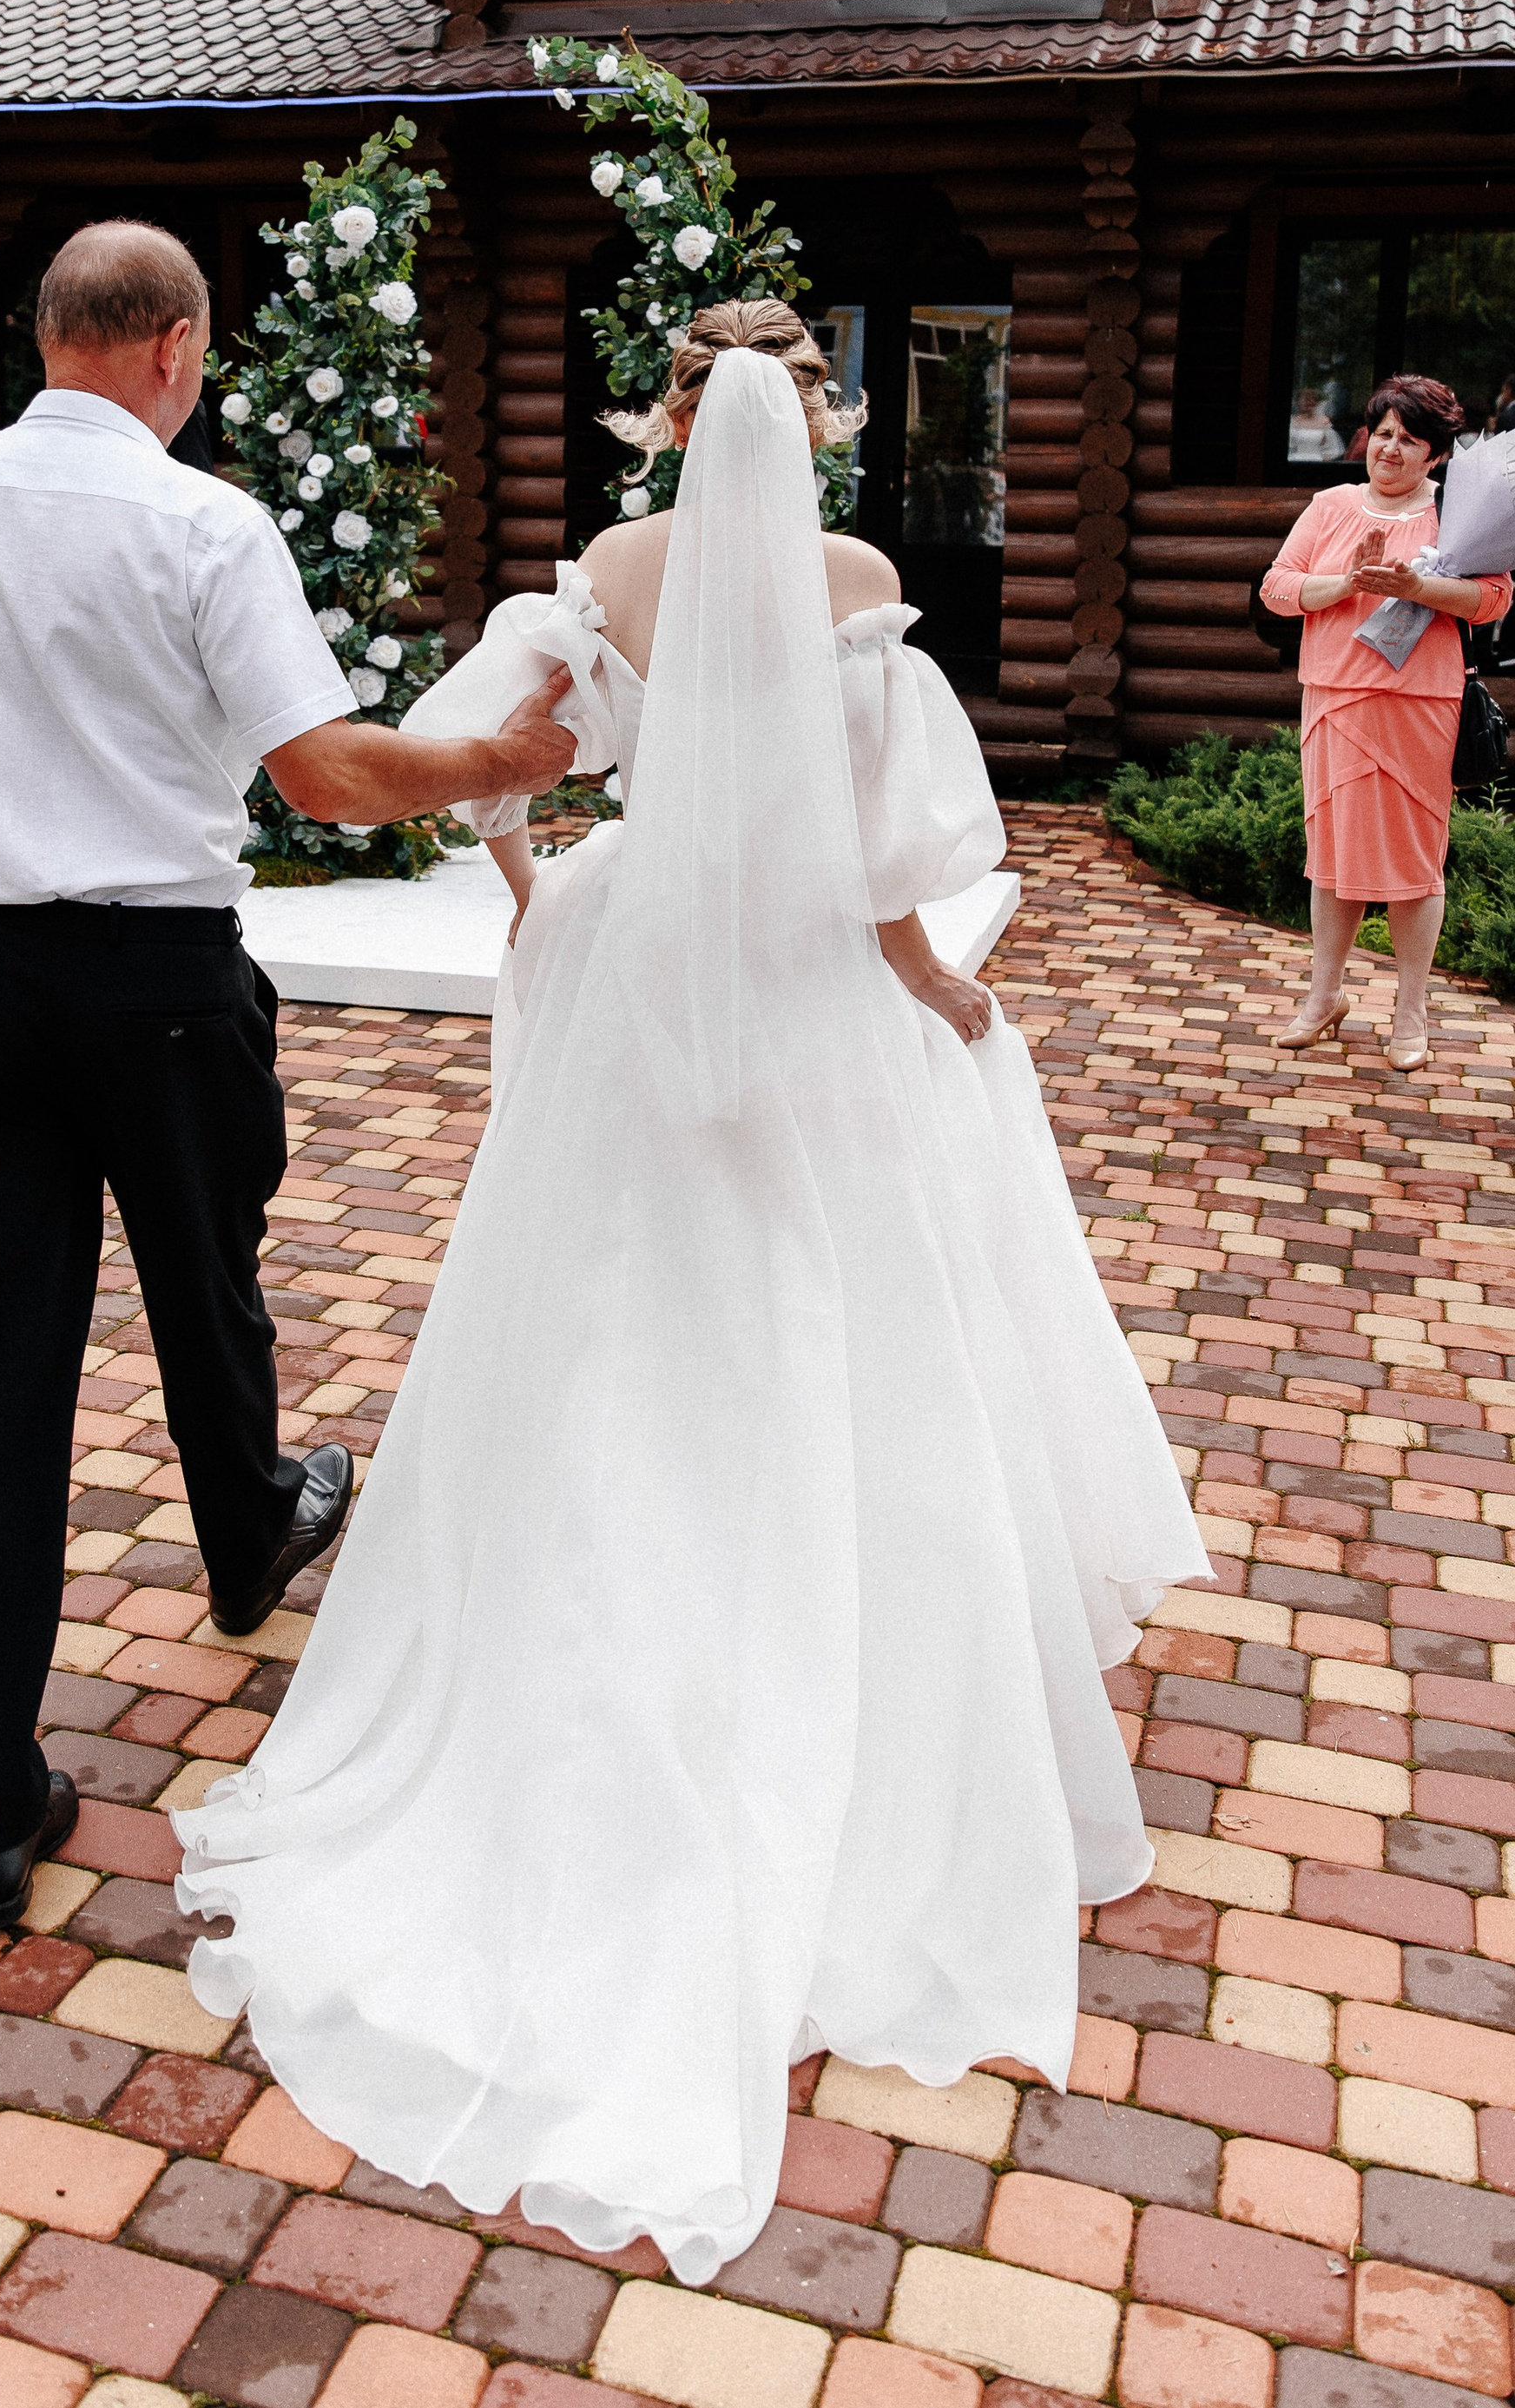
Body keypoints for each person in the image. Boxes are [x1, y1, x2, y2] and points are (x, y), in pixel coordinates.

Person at [174, 304, 1208, 2285]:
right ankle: (835, 1661)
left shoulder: (598, 577)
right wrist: (926, 984)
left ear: (665, 414)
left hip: (638, 956)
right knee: (822, 1315)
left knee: (603, 1315)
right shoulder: (857, 584)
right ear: (807, 417)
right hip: (803, 974)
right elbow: (890, 853)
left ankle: (598, 1617)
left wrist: (531, 890)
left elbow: (498, 766)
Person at [0, 219, 575, 1934]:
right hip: (158, 978)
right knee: (205, 1283)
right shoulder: (203, 518)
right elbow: (324, 777)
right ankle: (248, 1528)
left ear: (53, 337)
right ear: (175, 349)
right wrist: (500, 755)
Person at [1260, 373, 1512, 1069]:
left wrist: (1416, 587)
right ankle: (1323, 997)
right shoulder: (1331, 505)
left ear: (1436, 454)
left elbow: (1492, 601)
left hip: (1420, 704)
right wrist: (1342, 584)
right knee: (1333, 860)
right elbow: (1277, 587)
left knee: (1414, 864)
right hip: (1335, 696)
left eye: (1411, 439)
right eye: (1383, 434)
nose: (1391, 449)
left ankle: (1410, 1012)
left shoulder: (1460, 510)